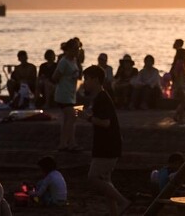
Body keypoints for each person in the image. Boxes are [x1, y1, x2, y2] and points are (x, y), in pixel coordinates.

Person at [80, 65, 129, 216]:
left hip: (107, 146)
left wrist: (87, 117)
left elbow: (105, 122)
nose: (84, 82)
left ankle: (123, 202)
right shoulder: (99, 97)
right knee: (105, 181)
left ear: (95, 80)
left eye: (86, 79)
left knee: (93, 177)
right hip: (106, 144)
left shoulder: (102, 98)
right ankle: (115, 212)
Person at [53, 39, 81, 152]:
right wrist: (68, 78)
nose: (77, 51)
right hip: (63, 94)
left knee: (68, 119)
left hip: (71, 93)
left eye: (78, 49)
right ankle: (69, 143)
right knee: (72, 117)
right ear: (69, 49)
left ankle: (65, 143)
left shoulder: (74, 60)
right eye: (75, 49)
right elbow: (55, 77)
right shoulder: (63, 62)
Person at [169, 39, 185, 123]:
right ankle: (176, 115)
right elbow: (176, 74)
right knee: (184, 100)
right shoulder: (180, 63)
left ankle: (180, 117)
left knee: (182, 100)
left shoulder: (179, 63)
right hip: (180, 84)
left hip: (180, 83)